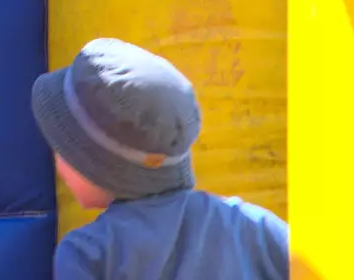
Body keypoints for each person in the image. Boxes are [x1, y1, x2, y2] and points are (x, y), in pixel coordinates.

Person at [32, 38, 289, 279]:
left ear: (97, 167)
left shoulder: (89, 252)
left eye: (63, 148)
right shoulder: (255, 226)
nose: (57, 158)